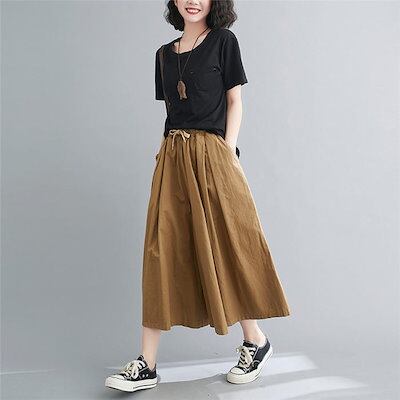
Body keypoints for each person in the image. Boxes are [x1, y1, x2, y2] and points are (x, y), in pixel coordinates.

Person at [105, 0, 291, 393]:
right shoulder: (163, 55)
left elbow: (235, 101)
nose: (193, 0)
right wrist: (164, 156)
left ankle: (255, 340)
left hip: (213, 155)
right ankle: (147, 364)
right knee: (161, 251)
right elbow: (173, 114)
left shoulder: (223, 41)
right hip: (173, 157)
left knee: (227, 245)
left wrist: (228, 152)